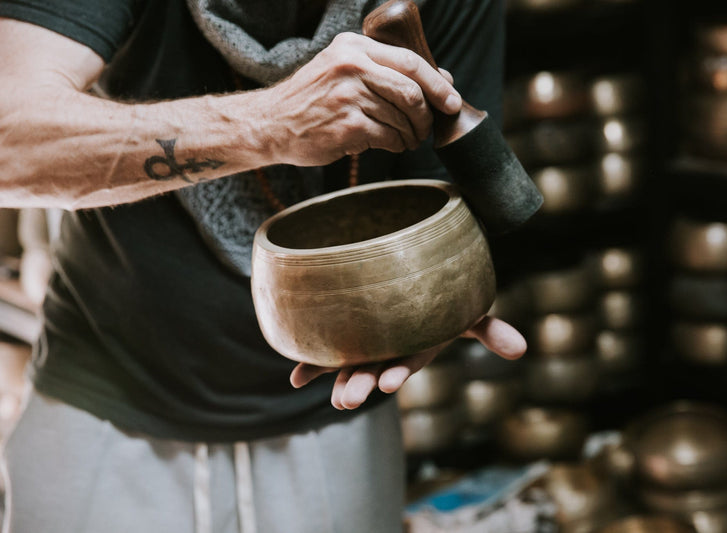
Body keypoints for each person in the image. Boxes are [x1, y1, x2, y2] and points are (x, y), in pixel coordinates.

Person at [0, 0, 526, 531]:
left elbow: (444, 189)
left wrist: (439, 298)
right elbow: (7, 141)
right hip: (106, 405)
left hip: (336, 411)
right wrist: (271, 125)